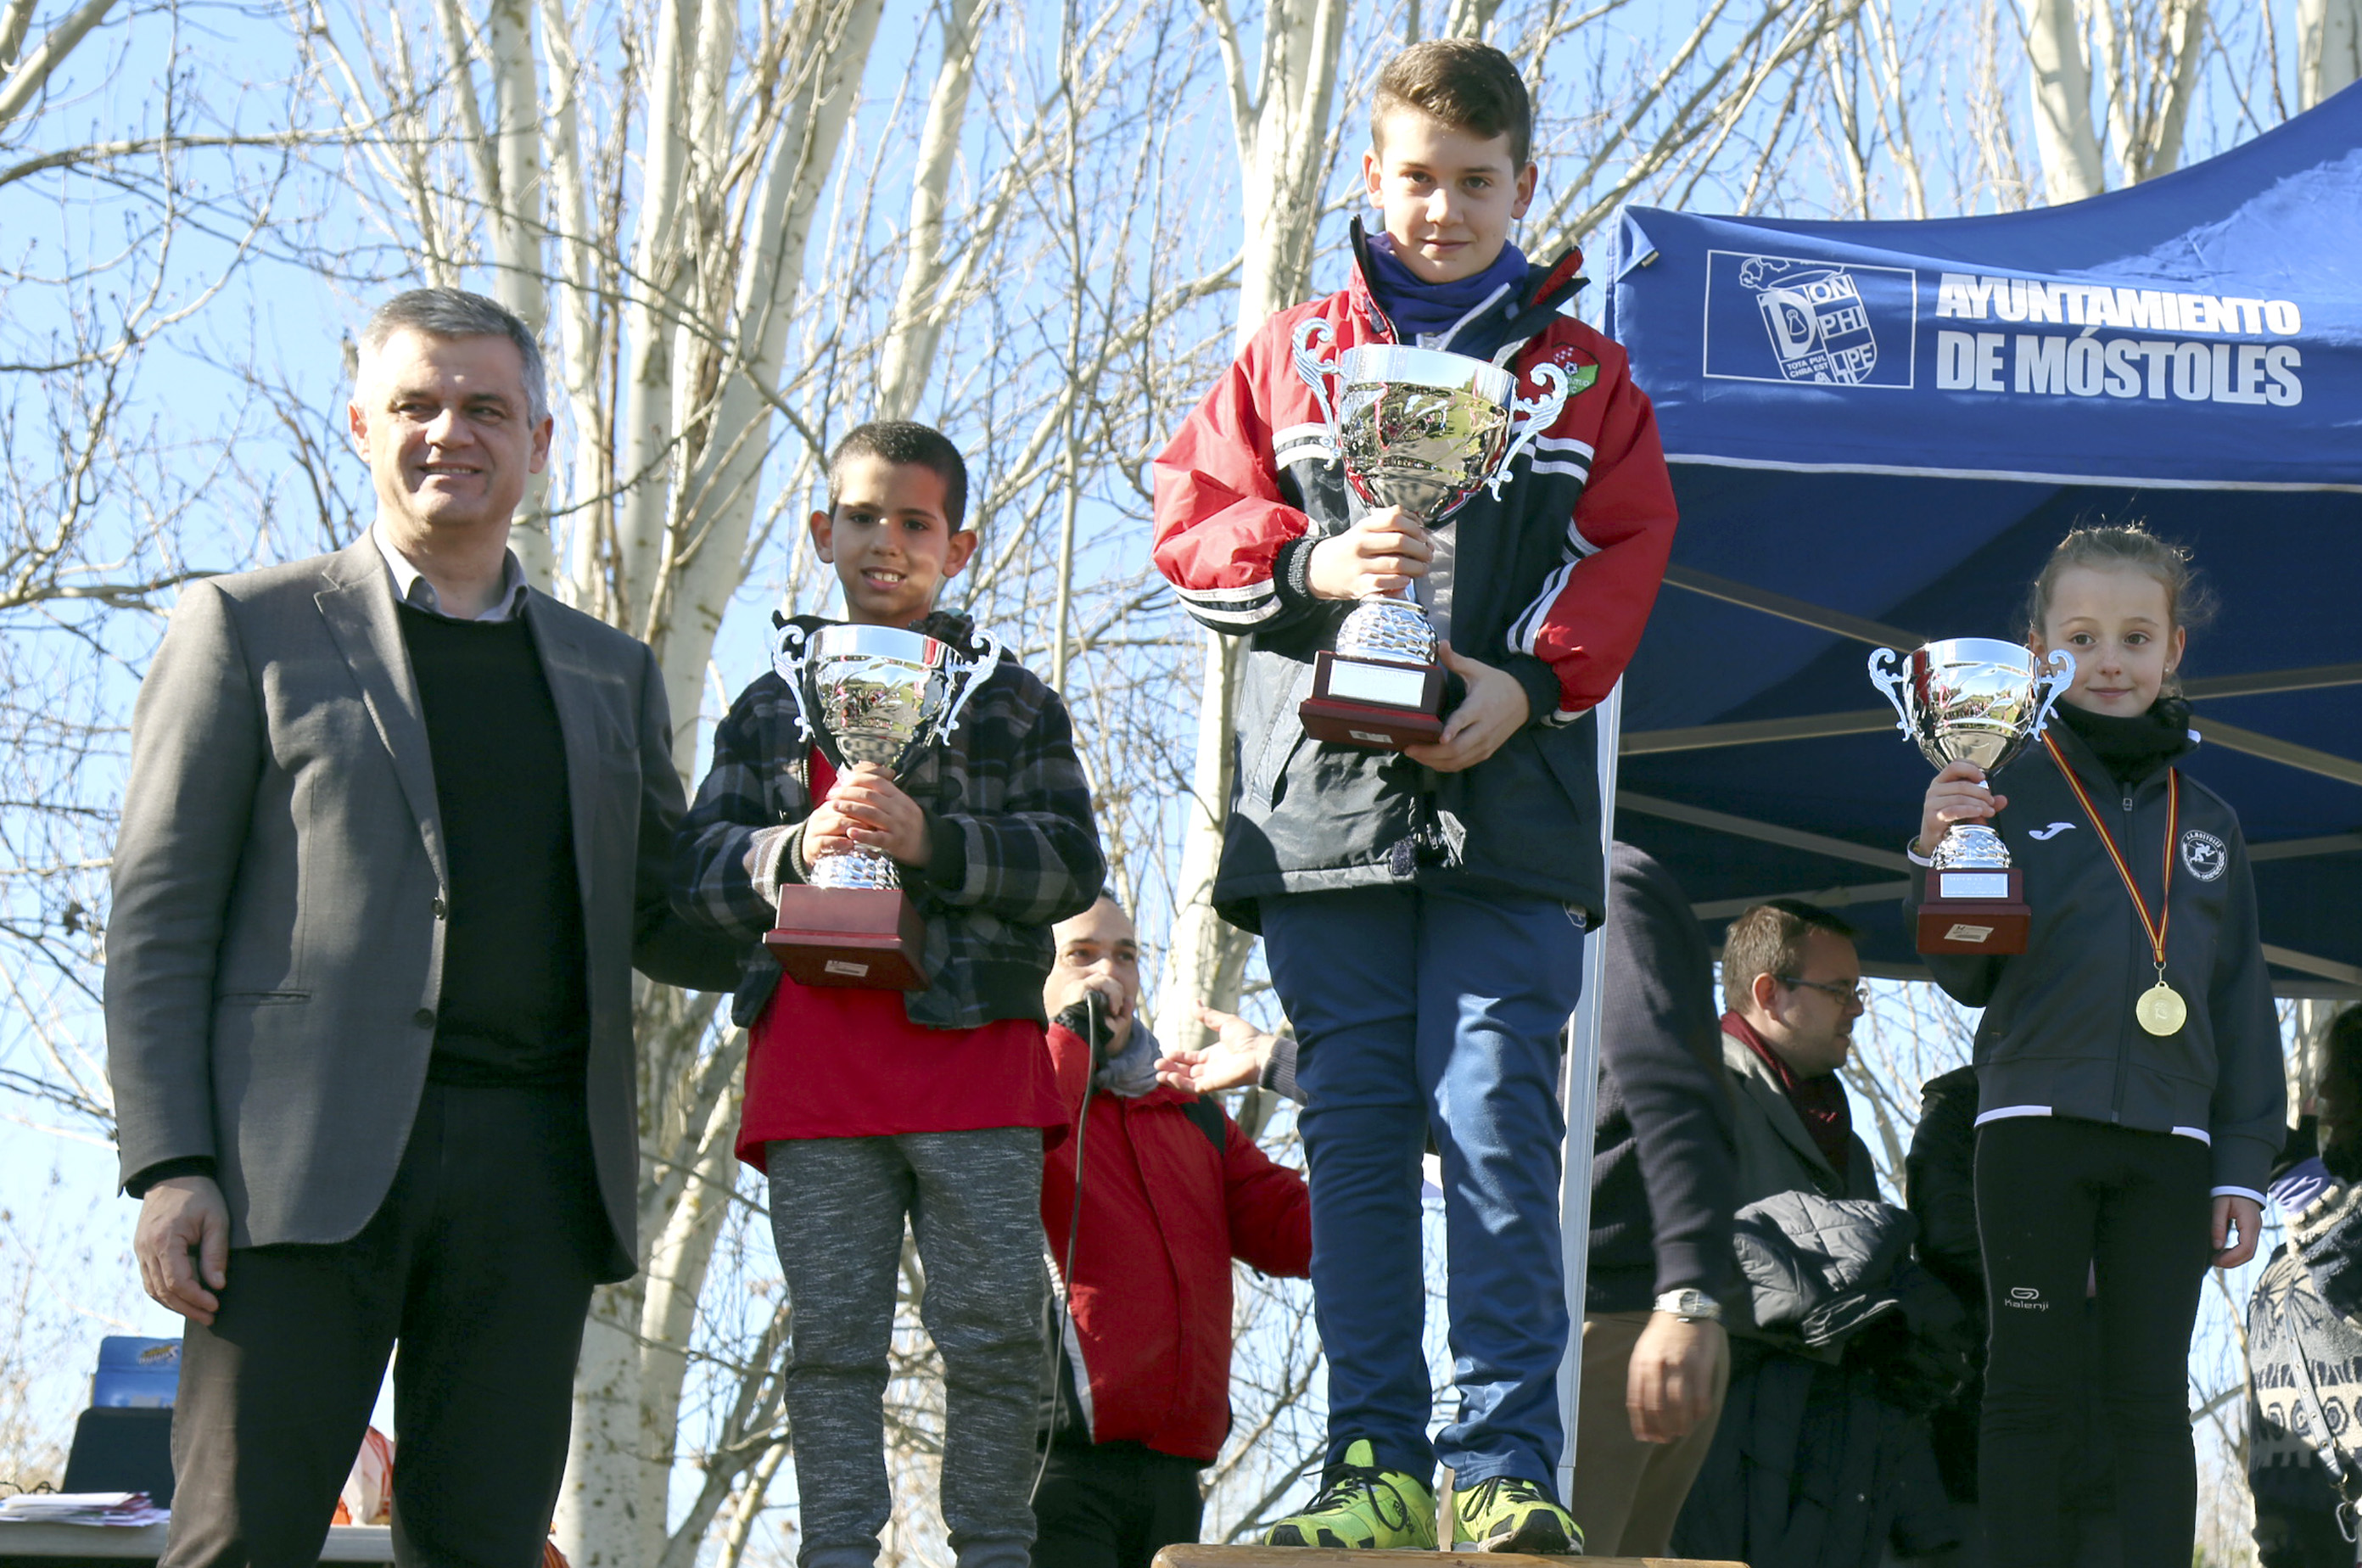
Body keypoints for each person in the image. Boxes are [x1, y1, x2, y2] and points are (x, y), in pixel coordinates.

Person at [106, 288, 741, 1568]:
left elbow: (671, 919)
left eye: (486, 408)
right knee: (237, 1545)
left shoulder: (610, 673)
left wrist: (814, 862)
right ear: (362, 425)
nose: (451, 431)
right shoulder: (245, 626)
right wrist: (171, 1162)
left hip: (535, 1180)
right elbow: (158, 919)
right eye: (417, 404)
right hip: (291, 1182)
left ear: (539, 442)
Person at [1150, 36, 1677, 1554]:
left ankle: (1504, 1462)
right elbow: (1192, 520)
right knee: (1359, 1139)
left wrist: (1532, 683)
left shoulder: (1581, 379)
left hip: (1507, 817)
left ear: (1523, 186)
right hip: (1321, 820)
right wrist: (1314, 563)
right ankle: (1371, 1464)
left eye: (1474, 182)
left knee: (1499, 1121)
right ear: (1370, 180)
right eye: (1417, 179)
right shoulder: (1288, 355)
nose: (1443, 209)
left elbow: (1628, 540)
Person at [671, 421, 1104, 1568]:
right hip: (815, 1073)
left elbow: (1071, 866)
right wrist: (793, 849)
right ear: (823, 532)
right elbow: (694, 877)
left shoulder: (1012, 704)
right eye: (862, 517)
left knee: (998, 1336)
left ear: (957, 548)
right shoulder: (769, 707)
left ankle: (995, 1550)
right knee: (831, 1345)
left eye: (915, 522)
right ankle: (835, 1553)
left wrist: (935, 842)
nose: (886, 542)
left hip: (975, 1066)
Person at [1160, 843, 1738, 1558]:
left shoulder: (1603, 879)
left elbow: (1660, 1089)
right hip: (1614, 1326)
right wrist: (1276, 1061)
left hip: (1618, 1332)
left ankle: (1498, 1466)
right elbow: (1454, 1122)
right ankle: (1388, 1468)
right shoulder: (1414, 884)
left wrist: (1687, 1292)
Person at [1906, 523, 2283, 1568]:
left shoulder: (2211, 824)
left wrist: (2243, 1167)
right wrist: (1941, 854)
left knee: (2150, 1399)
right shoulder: (2002, 792)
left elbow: (2242, 1002)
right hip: (2032, 1131)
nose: (2110, 661)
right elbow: (1965, 975)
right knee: (2026, 1387)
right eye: (2082, 639)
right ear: (2038, 654)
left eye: (2135, 637)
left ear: (2173, 650)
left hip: (2172, 1147)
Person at [1671, 899, 1964, 1568]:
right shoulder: (1692, 1090)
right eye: (1839, 990)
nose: (1856, 1008)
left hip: (1819, 1451)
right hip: (1719, 1439)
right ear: (1768, 993)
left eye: (1858, 991)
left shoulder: (1841, 1135)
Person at [1031, 895, 1311, 1568]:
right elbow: (1022, 1139)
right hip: (1055, 1467)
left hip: (1175, 1476)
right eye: (1082, 955)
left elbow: (1295, 1230)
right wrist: (1072, 1032)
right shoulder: (1017, 1087)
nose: (1109, 974)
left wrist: (1378, 1144)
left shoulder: (1189, 1112)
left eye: (1125, 956)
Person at [2247, 1005, 2362, 1568]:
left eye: (2338, 1077)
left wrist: (2314, 1205)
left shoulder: (2321, 1218)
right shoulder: (2284, 1258)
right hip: (2297, 1536)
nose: (2321, 1094)